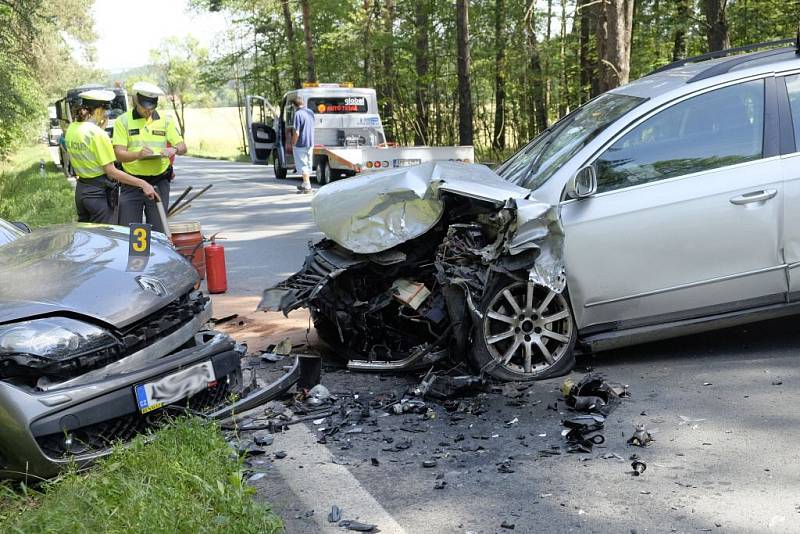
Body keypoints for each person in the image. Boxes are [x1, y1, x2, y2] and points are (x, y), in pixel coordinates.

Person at [64, 89, 159, 223]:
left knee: (87, 238)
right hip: (98, 195)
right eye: (105, 111)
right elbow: (111, 172)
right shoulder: (98, 135)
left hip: (82, 192)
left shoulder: (72, 129)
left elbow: (89, 150)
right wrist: (143, 184)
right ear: (97, 111)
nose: (105, 115)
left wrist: (100, 128)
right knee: (105, 239)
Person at [113, 82, 186, 233]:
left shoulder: (165, 120)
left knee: (159, 232)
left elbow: (183, 147)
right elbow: (118, 154)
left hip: (159, 182)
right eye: (144, 108)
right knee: (131, 232)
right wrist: (137, 155)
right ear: (135, 101)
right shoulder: (123, 121)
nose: (148, 112)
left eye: (151, 108)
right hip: (132, 183)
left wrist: (173, 149)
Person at [291, 97, 315, 194]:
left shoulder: (298, 114)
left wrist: (293, 142)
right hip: (310, 141)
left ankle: (307, 186)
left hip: (301, 143)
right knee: (308, 164)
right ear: (303, 103)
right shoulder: (310, 112)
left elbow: (297, 132)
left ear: (294, 105)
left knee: (302, 165)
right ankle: (305, 184)